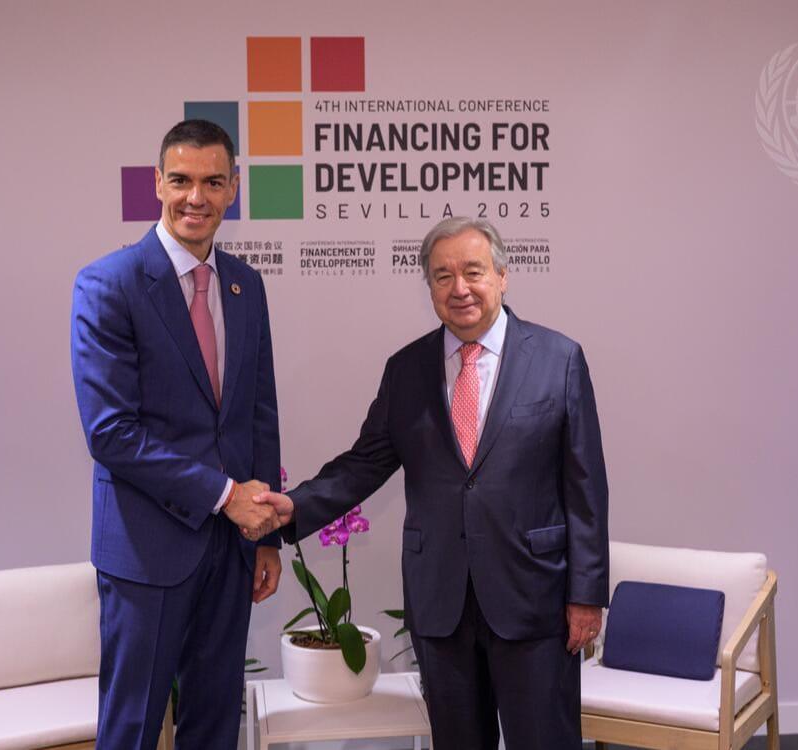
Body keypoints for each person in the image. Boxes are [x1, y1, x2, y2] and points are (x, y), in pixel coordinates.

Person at [255, 216, 609, 750]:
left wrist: (586, 595)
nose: (459, 288)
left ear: (502, 276)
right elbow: (364, 463)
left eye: (473, 271)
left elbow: (586, 489)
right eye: (443, 276)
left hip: (534, 600)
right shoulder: (407, 370)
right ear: (430, 288)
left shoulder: (559, 360)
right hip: (442, 604)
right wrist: (293, 507)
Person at [71, 119, 282, 750]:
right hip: (147, 549)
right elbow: (111, 433)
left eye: (213, 182)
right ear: (157, 183)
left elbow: (258, 413)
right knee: (132, 728)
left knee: (214, 725)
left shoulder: (246, 285)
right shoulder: (109, 283)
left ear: (233, 188)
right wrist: (225, 495)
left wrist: (266, 533)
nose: (197, 197)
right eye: (182, 180)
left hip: (232, 546)